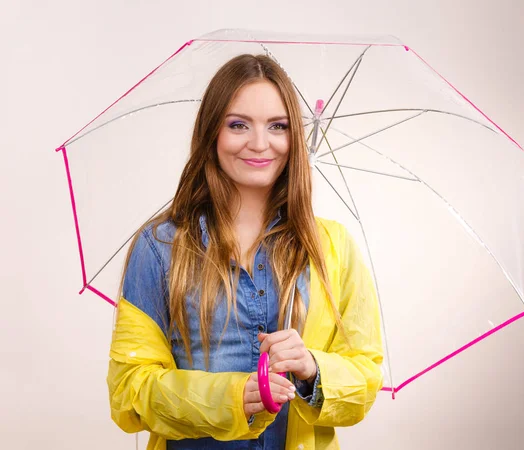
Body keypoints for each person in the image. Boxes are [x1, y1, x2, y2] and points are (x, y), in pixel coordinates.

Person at [107, 53, 383, 450]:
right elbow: (128, 391)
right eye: (238, 125)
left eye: (278, 126)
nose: (259, 143)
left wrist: (312, 370)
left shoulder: (331, 247)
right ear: (211, 134)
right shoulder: (160, 247)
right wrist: (230, 399)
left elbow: (365, 377)